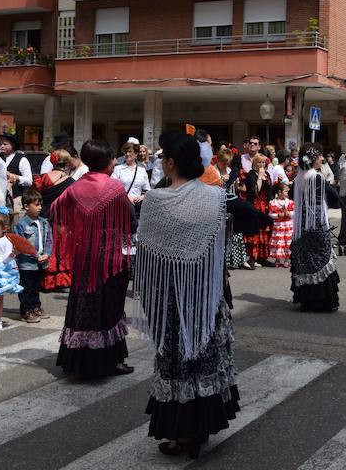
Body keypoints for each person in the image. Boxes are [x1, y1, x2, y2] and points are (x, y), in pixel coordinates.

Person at [132, 132, 240, 459]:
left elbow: (146, 256)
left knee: (177, 365)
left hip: (170, 298)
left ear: (170, 163)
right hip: (205, 296)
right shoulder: (215, 197)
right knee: (202, 361)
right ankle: (198, 428)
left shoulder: (155, 200)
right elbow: (247, 220)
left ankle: (182, 432)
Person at [51, 139, 135, 378]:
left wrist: (76, 231)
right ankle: (109, 361)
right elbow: (130, 217)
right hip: (110, 258)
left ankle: (77, 362)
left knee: (82, 306)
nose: (114, 162)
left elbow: (56, 211)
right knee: (109, 308)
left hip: (84, 256)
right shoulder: (114, 188)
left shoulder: (75, 187)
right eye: (112, 158)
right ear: (106, 161)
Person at [290, 143, 341, 312]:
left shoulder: (299, 177)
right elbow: (334, 199)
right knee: (321, 258)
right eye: (319, 156)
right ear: (312, 158)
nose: (322, 158)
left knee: (305, 260)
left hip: (302, 225)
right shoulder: (316, 177)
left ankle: (308, 300)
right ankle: (321, 301)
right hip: (316, 224)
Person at [34, 150, 76, 291]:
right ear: (67, 162)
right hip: (63, 220)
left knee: (46, 247)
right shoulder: (71, 181)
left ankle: (46, 279)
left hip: (44, 217)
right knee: (62, 249)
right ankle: (61, 280)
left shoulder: (43, 178)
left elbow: (35, 197)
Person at [14, 190, 52, 323]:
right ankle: (26, 310)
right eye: (36, 205)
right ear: (26, 206)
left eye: (40, 204)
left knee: (36, 286)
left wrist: (47, 254)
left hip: (41, 261)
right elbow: (21, 244)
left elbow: (49, 240)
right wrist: (35, 255)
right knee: (26, 287)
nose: (40, 207)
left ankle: (36, 306)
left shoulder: (44, 222)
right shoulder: (21, 224)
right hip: (27, 263)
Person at [243, 154, 274, 268]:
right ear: (254, 163)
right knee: (255, 231)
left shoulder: (268, 174)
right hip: (255, 205)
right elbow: (255, 191)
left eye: (263, 162)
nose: (261, 165)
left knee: (265, 231)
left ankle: (263, 257)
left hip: (265, 206)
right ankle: (252, 258)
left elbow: (269, 191)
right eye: (259, 162)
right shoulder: (251, 175)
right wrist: (260, 177)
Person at [0, 133, 33, 213]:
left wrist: (15, 177)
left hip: (16, 199)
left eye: (5, 144)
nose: (2, 146)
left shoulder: (22, 159)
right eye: (0, 144)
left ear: (13, 145)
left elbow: (29, 181)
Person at [112, 143, 151, 211]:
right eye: (125, 152)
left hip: (138, 208)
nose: (127, 154)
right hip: (122, 206)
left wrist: (142, 197)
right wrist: (126, 197)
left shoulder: (142, 170)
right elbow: (112, 188)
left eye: (130, 151)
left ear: (136, 153)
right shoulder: (117, 169)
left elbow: (147, 190)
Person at [268, 183, 295, 267]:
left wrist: (288, 213)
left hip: (288, 225)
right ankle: (278, 259)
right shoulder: (273, 202)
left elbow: (294, 213)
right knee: (279, 242)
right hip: (279, 225)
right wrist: (278, 215)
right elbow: (270, 214)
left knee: (287, 242)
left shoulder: (290, 202)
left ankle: (287, 259)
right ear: (280, 192)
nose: (288, 192)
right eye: (286, 191)